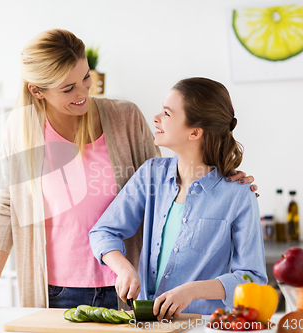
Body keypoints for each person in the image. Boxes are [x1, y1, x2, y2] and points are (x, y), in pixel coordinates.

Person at [0, 30, 256, 310]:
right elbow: (6, 208)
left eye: (86, 78)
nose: (82, 94)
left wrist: (222, 177)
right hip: (53, 290)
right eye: (68, 89)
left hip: (125, 290)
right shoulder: (21, 131)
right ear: (38, 91)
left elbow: (169, 184)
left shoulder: (125, 118)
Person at [89, 77, 266, 319]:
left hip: (202, 324)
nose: (156, 118)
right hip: (147, 323)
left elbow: (252, 277)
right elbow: (103, 231)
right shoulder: (151, 174)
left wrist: (192, 291)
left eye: (167, 113)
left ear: (195, 132)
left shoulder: (238, 194)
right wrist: (124, 270)